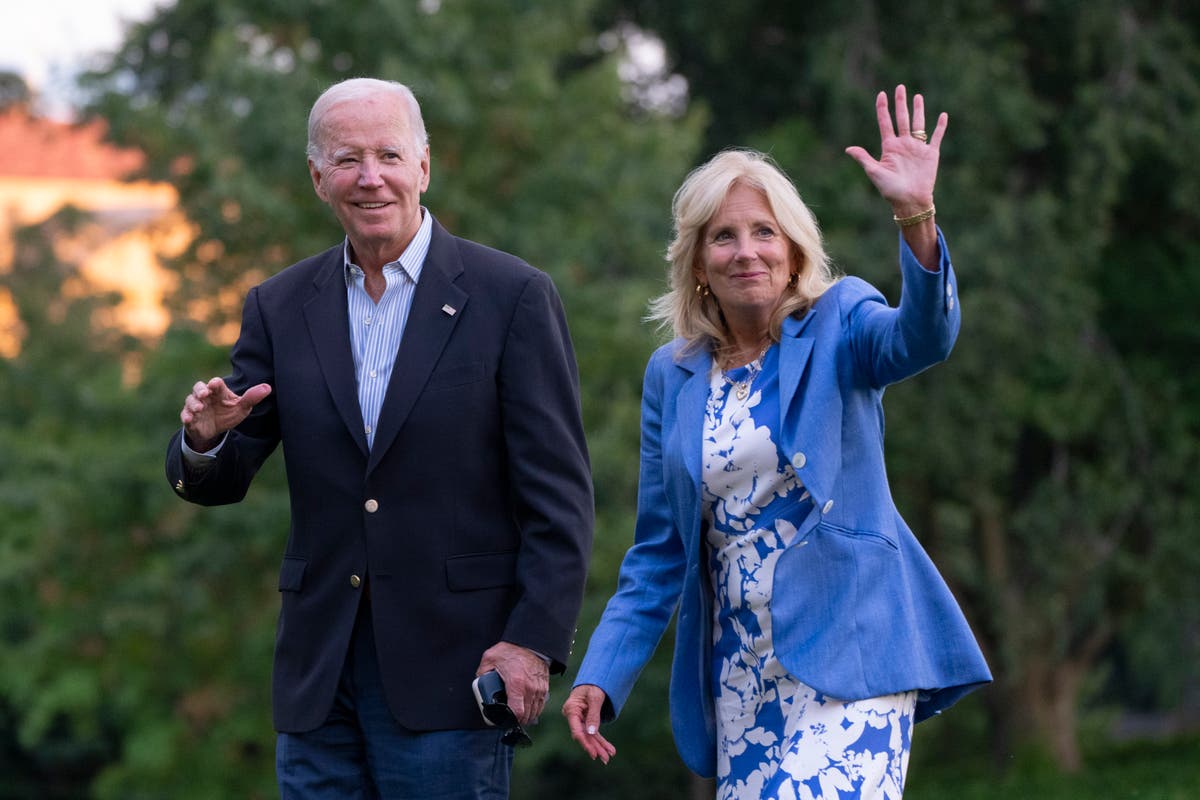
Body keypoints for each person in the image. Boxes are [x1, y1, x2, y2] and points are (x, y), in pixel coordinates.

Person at [166, 77, 594, 799]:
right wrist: (205, 443)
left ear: (423, 166)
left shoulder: (511, 296)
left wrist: (533, 642)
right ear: (317, 178)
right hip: (319, 677)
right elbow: (225, 474)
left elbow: (561, 499)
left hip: (454, 673)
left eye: (388, 155)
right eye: (346, 160)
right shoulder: (278, 305)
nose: (370, 178)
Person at [562, 85, 991, 798]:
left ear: (794, 252)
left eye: (764, 232)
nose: (745, 251)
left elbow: (923, 337)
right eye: (723, 237)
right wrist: (602, 673)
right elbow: (659, 551)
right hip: (743, 673)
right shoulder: (671, 377)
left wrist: (915, 216)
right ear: (697, 262)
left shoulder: (840, 322)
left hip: (854, 654)